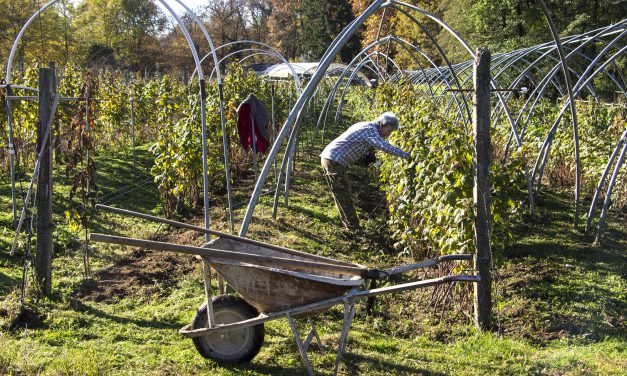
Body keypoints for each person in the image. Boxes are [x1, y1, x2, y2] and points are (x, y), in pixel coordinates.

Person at [320, 112, 410, 230]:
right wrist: (406, 155)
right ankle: (353, 227)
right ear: (382, 124)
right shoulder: (369, 130)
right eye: (389, 131)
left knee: (341, 191)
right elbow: (383, 146)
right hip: (334, 160)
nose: (389, 134)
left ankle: (349, 223)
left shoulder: (365, 126)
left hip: (333, 158)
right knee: (343, 193)